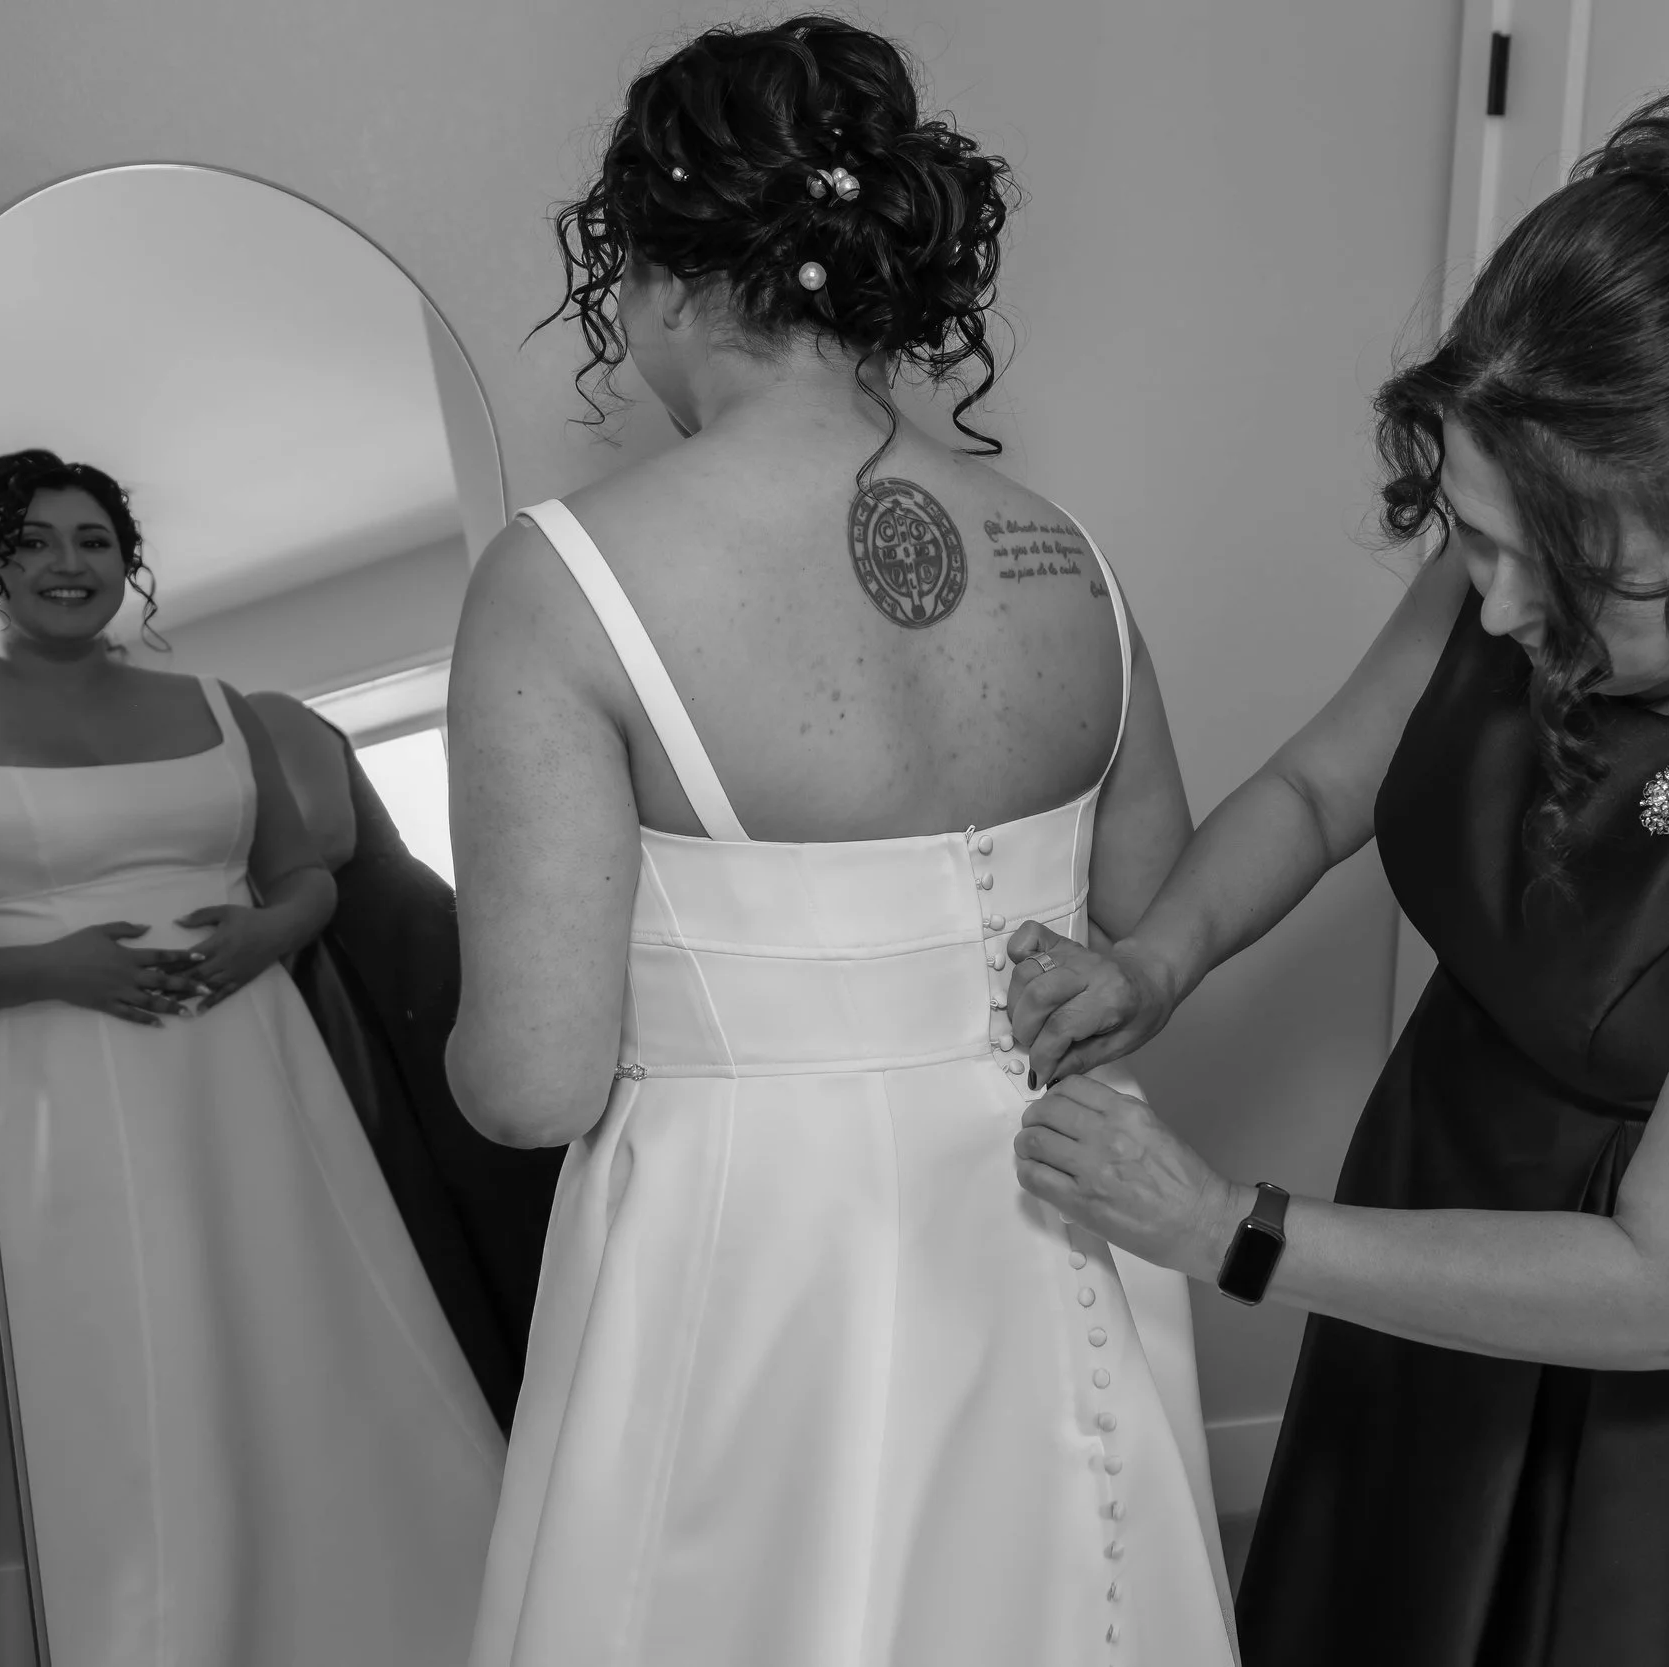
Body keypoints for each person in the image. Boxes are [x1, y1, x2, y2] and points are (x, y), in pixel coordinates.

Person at [1002, 32, 1669, 1667]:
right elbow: (1323, 785)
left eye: (1554, 576)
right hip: (1469, 1182)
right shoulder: (1551, 514)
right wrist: (1159, 956)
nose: (1495, 609)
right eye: (1467, 535)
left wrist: (1233, 1226)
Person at [445, 18, 1237, 1666]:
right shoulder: (1064, 552)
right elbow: (1151, 923)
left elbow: (532, 1082)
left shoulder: (563, 578)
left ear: (659, 273)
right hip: (1060, 1203)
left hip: (763, 1257)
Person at [0, 449, 501, 1665]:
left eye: (93, 539)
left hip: (246, 1054)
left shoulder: (217, 706)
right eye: (33, 540)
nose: (68, 563)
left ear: (126, 561)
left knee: (304, 1316)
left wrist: (263, 933)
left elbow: (305, 878)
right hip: (60, 1077)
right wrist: (53, 967)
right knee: (131, 1342)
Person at [251, 690, 566, 1430]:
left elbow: (326, 836)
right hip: (326, 976)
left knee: (492, 1170)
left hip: (392, 948)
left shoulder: (259, 710)